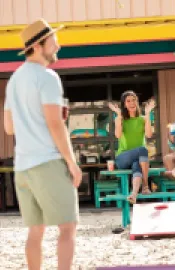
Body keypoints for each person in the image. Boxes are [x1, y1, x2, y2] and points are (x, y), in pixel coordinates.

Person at [4, 19, 82, 270]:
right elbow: (54, 125)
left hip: (23, 167)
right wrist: (72, 162)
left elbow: (9, 127)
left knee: (35, 232)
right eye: (53, 40)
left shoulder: (14, 79)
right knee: (68, 227)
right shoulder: (47, 77)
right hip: (47, 162)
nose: (58, 44)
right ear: (39, 45)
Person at [108, 91, 155, 204]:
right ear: (124, 104)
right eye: (128, 101)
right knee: (143, 150)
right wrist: (118, 115)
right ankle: (145, 186)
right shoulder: (121, 119)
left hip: (138, 159)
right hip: (122, 158)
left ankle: (133, 194)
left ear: (137, 102)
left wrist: (148, 115)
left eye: (134, 100)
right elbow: (118, 135)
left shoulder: (143, 119)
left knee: (136, 166)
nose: (131, 103)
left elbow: (149, 135)